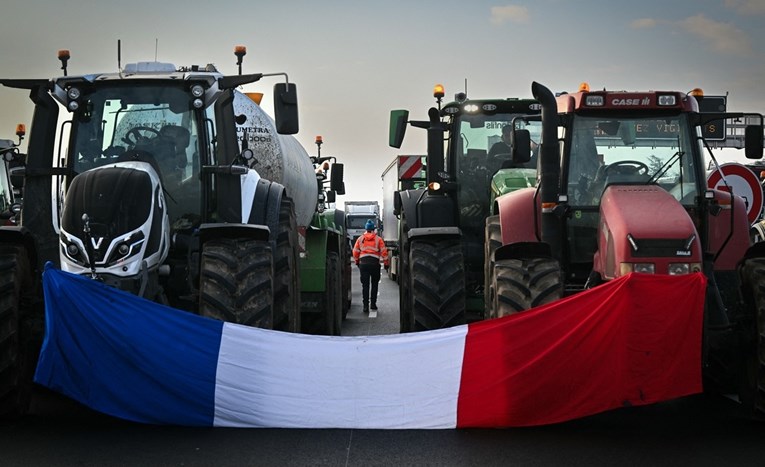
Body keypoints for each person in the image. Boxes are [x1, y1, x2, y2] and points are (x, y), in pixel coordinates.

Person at [353, 219, 388, 312]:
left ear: (366, 229)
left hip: (363, 264)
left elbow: (355, 252)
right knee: (374, 284)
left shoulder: (360, 239)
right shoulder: (378, 239)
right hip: (374, 264)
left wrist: (357, 261)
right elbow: (384, 252)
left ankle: (365, 306)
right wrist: (386, 263)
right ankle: (373, 304)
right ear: (374, 229)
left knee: (365, 285)